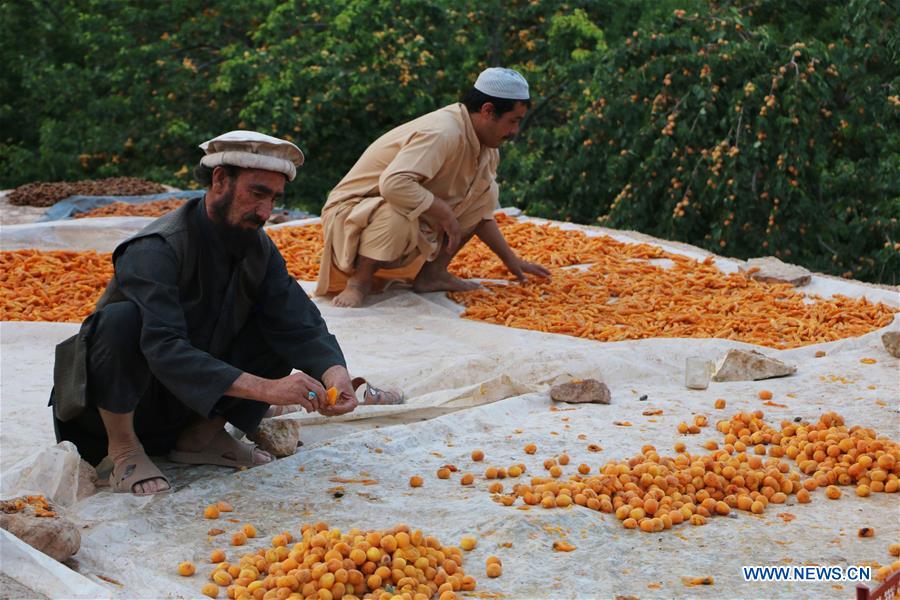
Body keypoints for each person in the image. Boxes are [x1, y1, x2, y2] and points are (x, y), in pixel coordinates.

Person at [51, 131, 359, 496]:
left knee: (275, 326)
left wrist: (334, 372)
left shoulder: (257, 248)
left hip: (191, 404)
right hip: (125, 403)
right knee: (121, 321)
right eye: (257, 193)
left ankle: (199, 438)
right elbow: (164, 347)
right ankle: (125, 450)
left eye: (274, 199)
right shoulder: (156, 248)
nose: (265, 212)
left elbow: (298, 320)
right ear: (219, 181)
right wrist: (267, 389)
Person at [316, 67, 551, 307]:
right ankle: (359, 282)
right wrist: (444, 212)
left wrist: (512, 261)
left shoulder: (486, 149)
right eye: (513, 121)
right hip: (351, 214)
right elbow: (394, 184)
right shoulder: (444, 132)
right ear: (488, 110)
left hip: (392, 212)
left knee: (487, 192)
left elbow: (480, 212)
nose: (514, 131)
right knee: (397, 213)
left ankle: (433, 274)